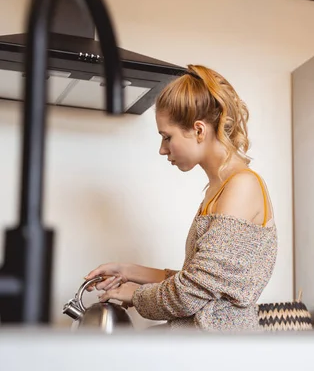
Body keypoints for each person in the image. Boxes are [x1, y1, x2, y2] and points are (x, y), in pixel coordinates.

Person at [84, 65, 278, 332]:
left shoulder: (242, 186)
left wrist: (135, 295)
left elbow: (193, 291)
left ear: (199, 130)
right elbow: (202, 284)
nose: (162, 149)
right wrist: (127, 271)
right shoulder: (218, 189)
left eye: (167, 137)